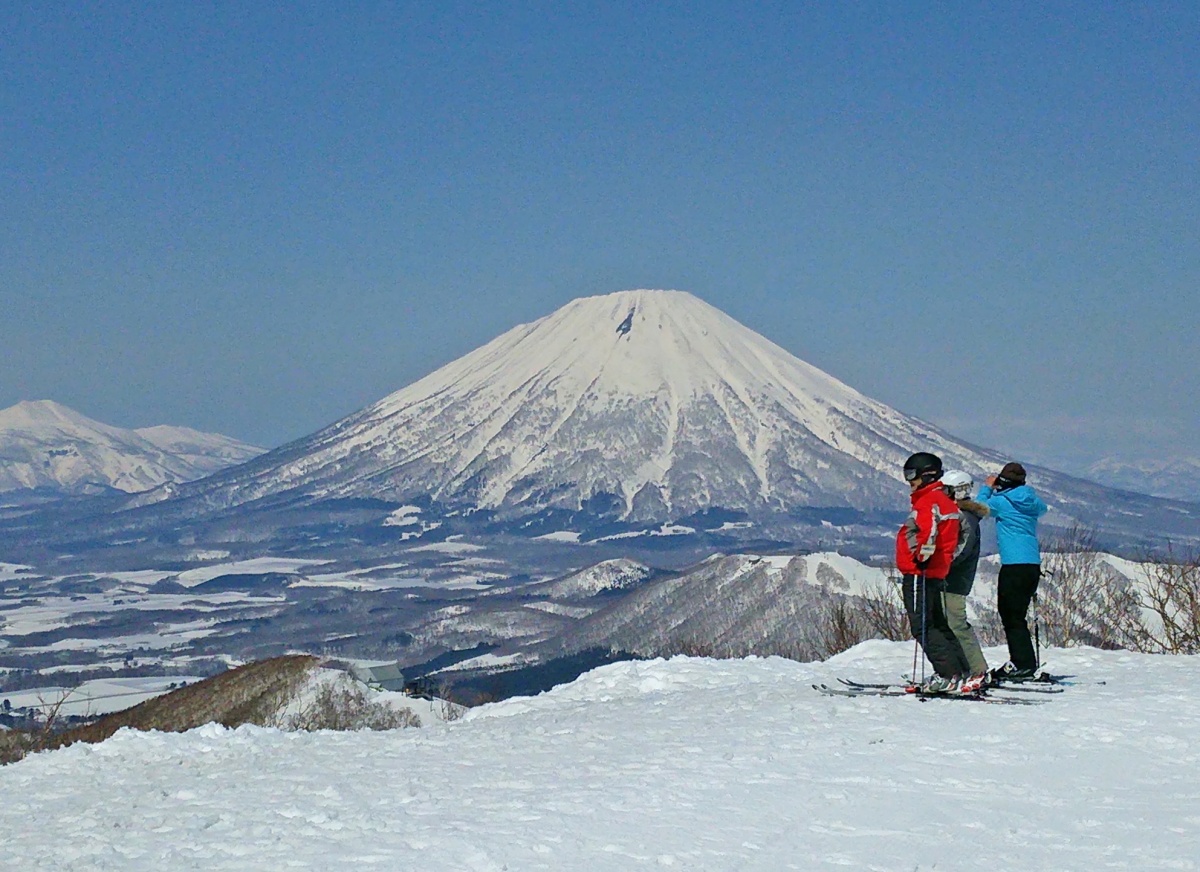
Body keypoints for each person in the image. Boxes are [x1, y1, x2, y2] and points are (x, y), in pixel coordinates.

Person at [895, 451, 964, 693]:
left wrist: (920, 558)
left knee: (921, 625)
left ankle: (948, 674)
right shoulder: (943, 501)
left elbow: (929, 533)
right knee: (937, 623)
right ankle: (958, 670)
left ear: (927, 475)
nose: (909, 481)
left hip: (920, 572)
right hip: (934, 572)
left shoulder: (929, 502)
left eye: (911, 475)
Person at [976, 461, 1048, 681]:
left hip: (1013, 565)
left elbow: (979, 507)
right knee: (1018, 615)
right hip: (1032, 564)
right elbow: (1042, 509)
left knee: (1010, 616)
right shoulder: (1032, 501)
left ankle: (1022, 664)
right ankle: (1024, 661)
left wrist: (987, 486)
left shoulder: (1002, 501)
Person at [941, 471, 989, 692]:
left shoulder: (965, 517)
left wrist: (941, 565)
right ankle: (960, 667)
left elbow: (961, 551)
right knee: (948, 623)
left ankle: (977, 669)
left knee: (956, 623)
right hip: (949, 577)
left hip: (955, 579)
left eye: (946, 490)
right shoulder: (957, 514)